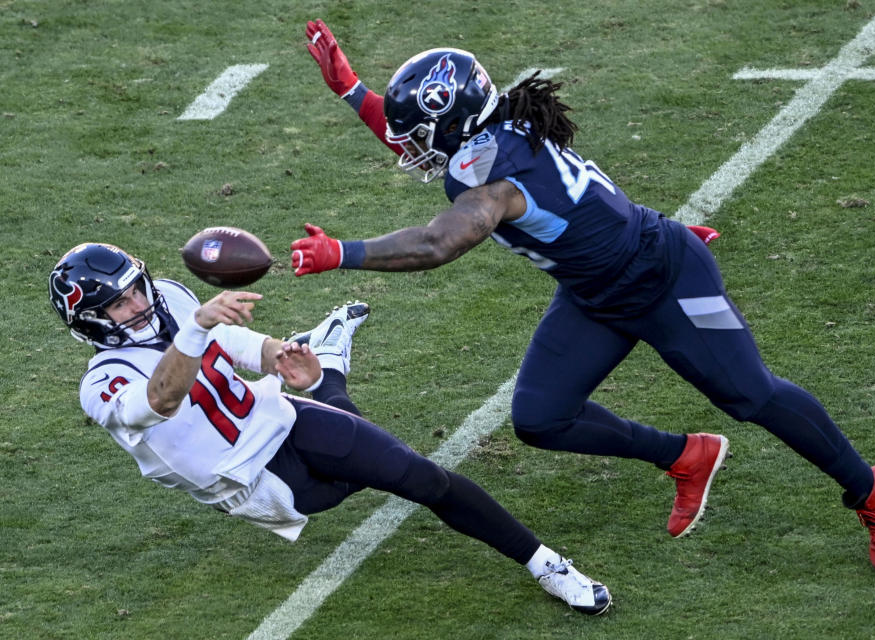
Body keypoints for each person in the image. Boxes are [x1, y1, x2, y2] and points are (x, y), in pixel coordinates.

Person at [291, 19, 875, 572]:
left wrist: (343, 252)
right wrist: (352, 90)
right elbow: (425, 146)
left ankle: (872, 487)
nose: (410, 150)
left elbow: (436, 244)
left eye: (422, 135)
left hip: (663, 276)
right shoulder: (494, 129)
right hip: (596, 291)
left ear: (453, 125)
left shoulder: (492, 178)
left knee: (751, 395)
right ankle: (684, 456)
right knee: (540, 418)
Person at [48, 242, 611, 615]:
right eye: (119, 304)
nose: (140, 304)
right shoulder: (101, 382)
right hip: (247, 480)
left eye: (137, 289)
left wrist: (273, 353)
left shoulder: (171, 296)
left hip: (277, 417)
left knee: (417, 475)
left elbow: (224, 341)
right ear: (90, 320)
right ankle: (332, 373)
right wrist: (196, 328)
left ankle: (546, 564)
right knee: (350, 480)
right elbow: (161, 398)